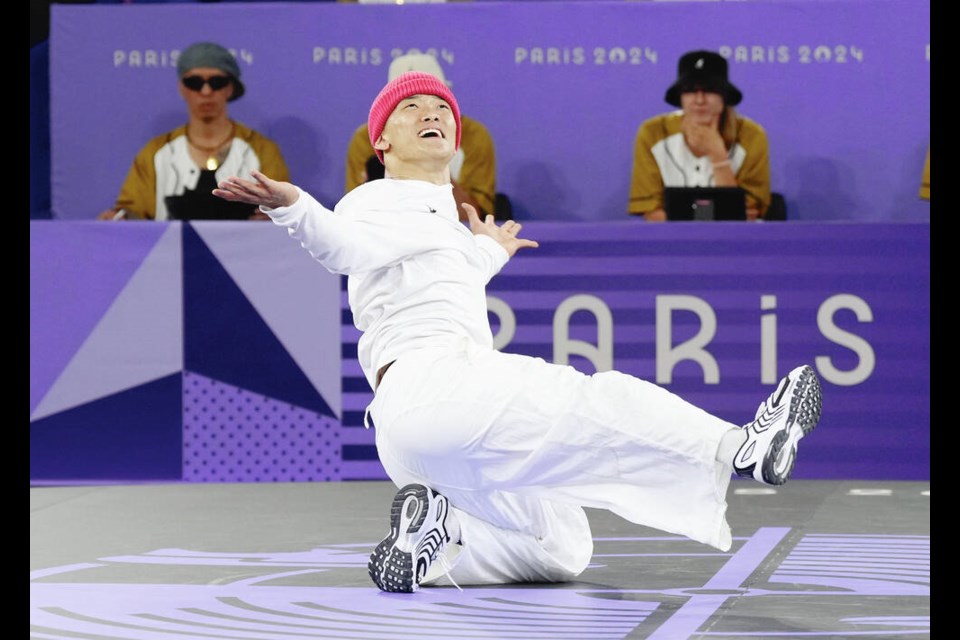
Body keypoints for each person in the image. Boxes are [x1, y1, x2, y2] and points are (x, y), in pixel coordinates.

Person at [213, 70, 824, 593]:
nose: (432, 114)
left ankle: (439, 544)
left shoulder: (438, 220)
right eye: (411, 108)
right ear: (382, 142)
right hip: (441, 384)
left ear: (456, 139)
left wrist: (490, 251)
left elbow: (447, 273)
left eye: (442, 110)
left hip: (413, 438)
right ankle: (739, 446)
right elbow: (341, 245)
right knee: (596, 398)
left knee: (563, 549)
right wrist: (294, 204)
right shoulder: (376, 199)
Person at [98, 41, 290, 221]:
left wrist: (276, 218)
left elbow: (285, 213)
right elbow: (132, 215)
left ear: (230, 88)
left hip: (244, 255)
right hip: (170, 255)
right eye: (195, 83)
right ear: (182, 88)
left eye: (216, 82)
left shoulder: (263, 151)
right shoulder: (155, 153)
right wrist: (118, 219)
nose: (206, 91)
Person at [344, 53, 499, 221]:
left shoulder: (474, 136)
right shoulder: (366, 139)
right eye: (411, 105)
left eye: (440, 105)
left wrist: (434, 166)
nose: (430, 115)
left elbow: (475, 220)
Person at [628, 50, 771, 221]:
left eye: (709, 90)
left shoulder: (751, 135)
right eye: (690, 91)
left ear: (724, 96)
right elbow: (651, 214)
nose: (700, 100)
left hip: (736, 242)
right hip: (673, 243)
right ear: (680, 96)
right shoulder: (653, 133)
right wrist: (713, 214)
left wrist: (718, 156)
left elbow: (747, 216)